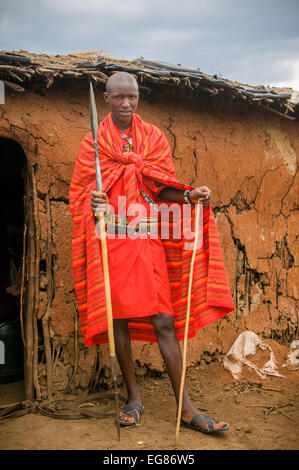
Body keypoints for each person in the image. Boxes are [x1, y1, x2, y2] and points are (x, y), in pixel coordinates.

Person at [69, 72, 235, 433]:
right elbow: (81, 196)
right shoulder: (93, 144)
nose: (126, 104)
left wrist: (189, 196)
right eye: (118, 98)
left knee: (164, 319)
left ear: (138, 97)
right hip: (113, 242)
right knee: (120, 320)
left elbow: (162, 188)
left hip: (148, 240)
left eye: (132, 97)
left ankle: (186, 408)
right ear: (107, 98)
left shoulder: (153, 138)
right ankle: (133, 397)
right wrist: (94, 201)